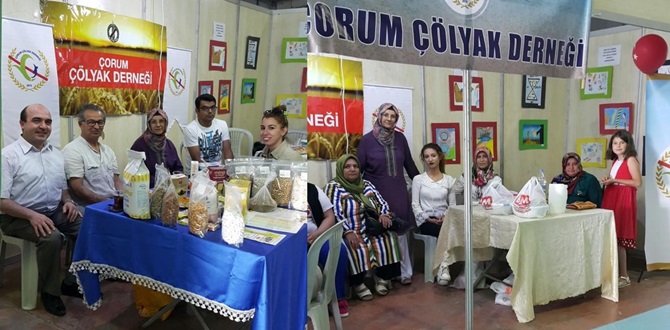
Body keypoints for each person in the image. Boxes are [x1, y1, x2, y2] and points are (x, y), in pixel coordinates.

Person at [1, 104, 83, 316]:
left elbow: (63, 189)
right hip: (16, 216)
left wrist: (68, 202)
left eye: (47, 122)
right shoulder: (8, 156)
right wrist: (32, 215)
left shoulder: (55, 153)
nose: (43, 126)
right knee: (52, 238)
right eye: (36, 120)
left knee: (88, 227)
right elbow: (2, 201)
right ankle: (50, 292)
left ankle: (72, 281)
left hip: (53, 210)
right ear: (22, 124)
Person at [357, 102, 419, 285]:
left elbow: (409, 164)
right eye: (386, 115)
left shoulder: (400, 139)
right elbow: (358, 168)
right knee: (379, 232)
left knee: (399, 232)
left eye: (393, 116)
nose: (389, 119)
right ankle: (381, 275)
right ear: (379, 117)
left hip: (398, 191)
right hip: (375, 193)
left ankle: (404, 272)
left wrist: (423, 182)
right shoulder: (367, 140)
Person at [324, 154, 401, 301]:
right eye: (347, 167)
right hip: (351, 230)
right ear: (340, 169)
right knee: (353, 247)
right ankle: (358, 284)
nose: (352, 169)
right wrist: (347, 232)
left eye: (355, 166)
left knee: (388, 239)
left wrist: (384, 214)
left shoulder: (366, 184)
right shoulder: (334, 187)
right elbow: (335, 212)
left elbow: (381, 201)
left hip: (371, 228)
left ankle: (383, 278)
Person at [600, 130, 642, 289]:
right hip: (612, 196)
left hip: (622, 199)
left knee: (620, 239)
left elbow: (637, 183)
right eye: (615, 143)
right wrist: (609, 181)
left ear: (628, 144)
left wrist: (615, 179)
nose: (618, 146)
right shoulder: (615, 161)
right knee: (613, 237)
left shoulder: (631, 160)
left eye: (621, 143)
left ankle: (624, 275)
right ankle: (614, 273)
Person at [62, 104, 122, 212]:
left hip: (113, 204)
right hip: (90, 208)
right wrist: (107, 202)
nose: (96, 126)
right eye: (91, 122)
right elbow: (78, 189)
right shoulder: (72, 150)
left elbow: (117, 181)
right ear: (81, 124)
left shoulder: (108, 151)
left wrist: (123, 199)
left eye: (100, 122)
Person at [307, 182, 350, 318]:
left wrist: (317, 234)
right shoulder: (277, 189)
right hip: (292, 240)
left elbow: (330, 216)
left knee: (337, 251)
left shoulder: (312, 189)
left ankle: (335, 298)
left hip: (316, 235)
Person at [411, 143, 457, 238]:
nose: (430, 159)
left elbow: (452, 205)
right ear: (424, 160)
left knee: (455, 230)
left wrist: (445, 217)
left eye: (433, 155)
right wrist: (427, 218)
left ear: (440, 157)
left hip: (445, 219)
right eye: (427, 157)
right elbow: (415, 205)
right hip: (426, 221)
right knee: (437, 231)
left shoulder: (449, 180)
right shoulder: (418, 179)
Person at [131, 108, 184, 187]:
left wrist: (175, 181)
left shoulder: (169, 145)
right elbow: (135, 173)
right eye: (154, 122)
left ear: (165, 123)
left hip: (171, 189)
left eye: (161, 121)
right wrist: (160, 182)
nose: (158, 125)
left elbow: (178, 169)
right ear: (149, 124)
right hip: (146, 190)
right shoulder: (139, 145)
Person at [183, 94, 234, 166]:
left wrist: (230, 169)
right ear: (197, 111)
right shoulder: (191, 129)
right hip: (198, 172)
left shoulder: (222, 124)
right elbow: (197, 160)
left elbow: (228, 152)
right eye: (205, 108)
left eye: (213, 107)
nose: (210, 111)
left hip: (219, 171)